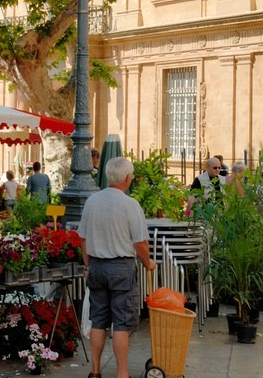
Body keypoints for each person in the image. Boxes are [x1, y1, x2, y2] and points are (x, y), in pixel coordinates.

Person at [79, 156, 155, 378]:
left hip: (97, 266)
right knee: (121, 322)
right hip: (121, 268)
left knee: (98, 320)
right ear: (128, 178)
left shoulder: (92, 201)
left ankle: (95, 371)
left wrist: (88, 265)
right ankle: (122, 373)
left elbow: (82, 238)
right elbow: (140, 242)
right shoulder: (130, 204)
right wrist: (148, 262)